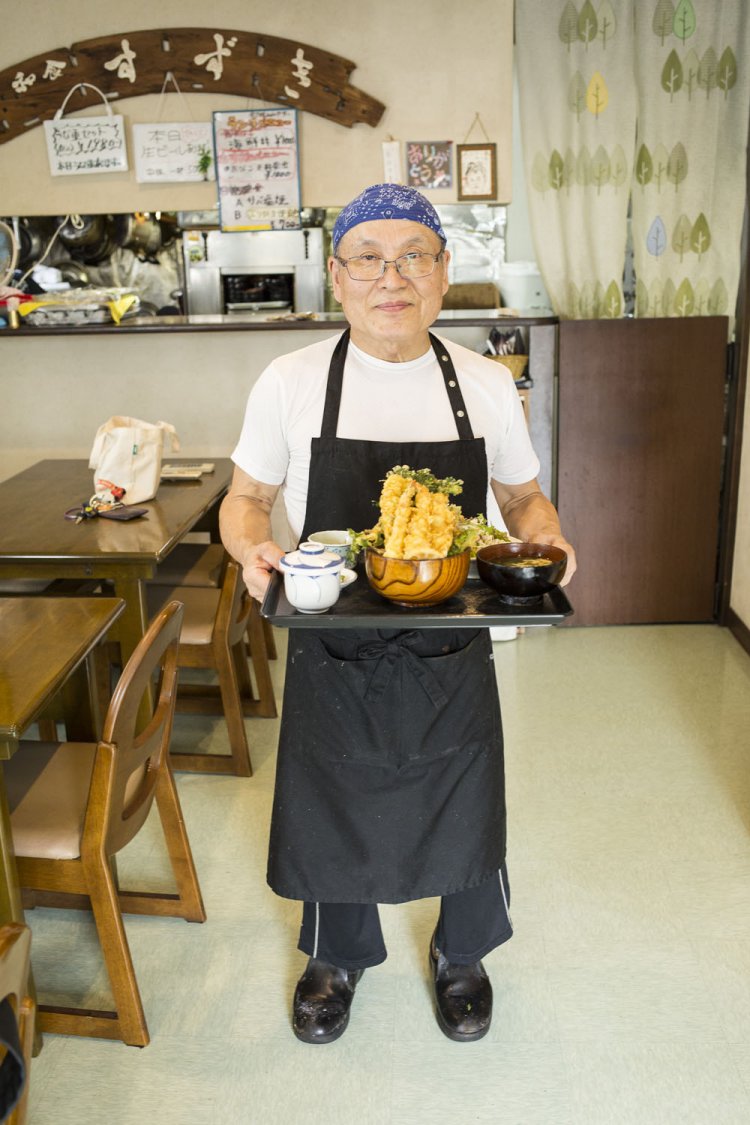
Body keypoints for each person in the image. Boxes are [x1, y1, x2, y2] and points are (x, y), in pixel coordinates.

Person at [220, 183, 576, 1046]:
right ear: (337, 278)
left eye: (414, 256)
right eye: (369, 259)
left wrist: (551, 538)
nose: (393, 276)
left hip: (450, 636)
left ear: (444, 273)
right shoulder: (292, 379)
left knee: (463, 788)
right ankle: (334, 958)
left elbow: (524, 499)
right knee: (330, 792)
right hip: (329, 635)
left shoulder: (485, 382)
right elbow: (247, 497)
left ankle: (463, 954)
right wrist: (251, 550)